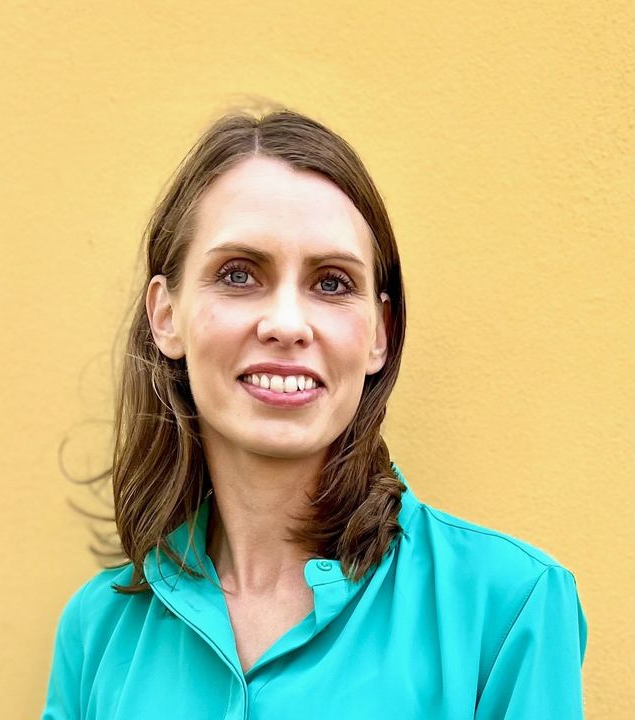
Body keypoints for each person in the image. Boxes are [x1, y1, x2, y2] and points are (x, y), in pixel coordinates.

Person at [41, 107, 588, 719]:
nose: (286, 324)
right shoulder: (97, 631)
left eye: (331, 284)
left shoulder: (510, 607)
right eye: (239, 273)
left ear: (381, 332)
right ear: (166, 315)